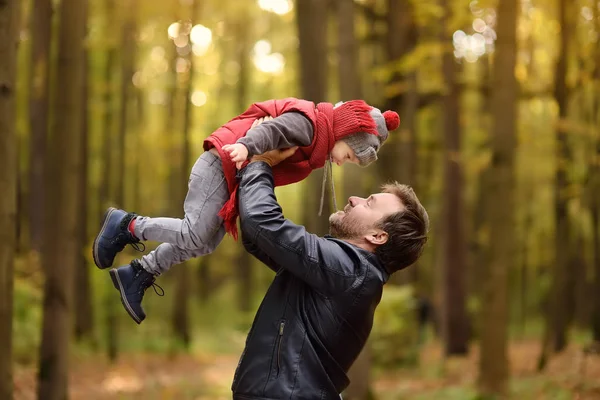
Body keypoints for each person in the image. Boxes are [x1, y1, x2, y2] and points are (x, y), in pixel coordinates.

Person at [91, 98, 400, 324]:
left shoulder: (318, 142)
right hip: (222, 163)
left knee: (204, 242)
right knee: (193, 232)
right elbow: (274, 129)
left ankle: (140, 272)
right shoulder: (310, 124)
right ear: (345, 132)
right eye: (348, 155)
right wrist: (248, 148)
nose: (343, 162)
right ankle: (128, 224)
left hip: (231, 177)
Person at [230, 146, 429, 399]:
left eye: (369, 203)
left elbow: (262, 224)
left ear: (377, 236)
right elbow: (258, 238)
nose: (354, 199)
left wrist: (261, 162)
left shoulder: (350, 269)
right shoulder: (347, 270)